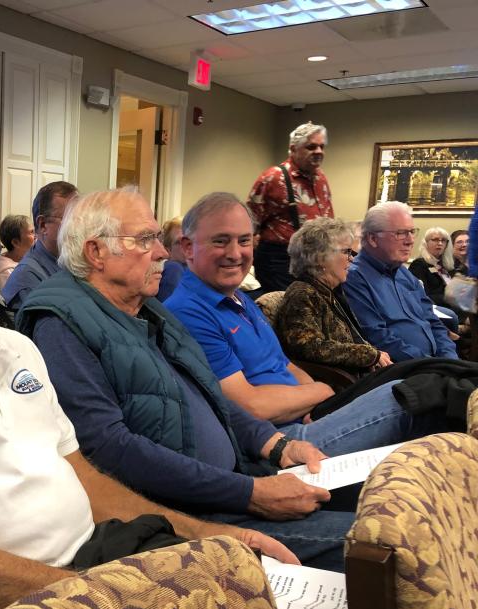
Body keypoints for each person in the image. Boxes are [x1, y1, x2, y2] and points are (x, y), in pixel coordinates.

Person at [0, 168, 297, 609]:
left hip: (107, 550)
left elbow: (86, 479)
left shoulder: (16, 347)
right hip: (32, 602)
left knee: (268, 594)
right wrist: (117, 599)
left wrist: (210, 536)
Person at [16, 188, 354, 572]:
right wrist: (250, 493)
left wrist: (277, 445)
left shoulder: (146, 310)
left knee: (375, 499)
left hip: (238, 480)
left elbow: (207, 392)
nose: (162, 252)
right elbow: (108, 448)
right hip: (190, 516)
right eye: (145, 239)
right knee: (383, 540)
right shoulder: (60, 324)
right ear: (96, 253)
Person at [165, 192, 435, 454]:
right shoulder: (188, 312)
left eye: (244, 241)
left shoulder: (239, 298)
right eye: (221, 241)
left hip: (305, 414)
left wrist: (312, 403)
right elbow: (251, 407)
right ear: (188, 247)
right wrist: (321, 391)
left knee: (425, 385)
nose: (235, 253)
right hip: (279, 442)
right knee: (413, 396)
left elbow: (286, 363)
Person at [275, 217, 392, 375]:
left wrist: (374, 355)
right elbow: (307, 346)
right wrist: (369, 355)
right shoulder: (302, 293)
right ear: (319, 258)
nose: (352, 258)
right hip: (339, 387)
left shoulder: (328, 292)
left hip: (358, 379)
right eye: (346, 252)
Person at [344, 201, 458, 361]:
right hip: (402, 372)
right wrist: (433, 365)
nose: (410, 240)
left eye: (412, 232)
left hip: (435, 365)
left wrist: (450, 359)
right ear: (373, 238)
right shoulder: (354, 277)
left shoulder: (404, 274)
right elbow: (378, 338)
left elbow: (433, 322)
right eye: (400, 233)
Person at [248, 122, 334, 292]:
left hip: (314, 257)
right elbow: (249, 223)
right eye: (311, 147)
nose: (318, 151)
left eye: (321, 146)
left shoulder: (321, 178)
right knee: (284, 309)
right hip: (279, 261)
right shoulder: (273, 177)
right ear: (294, 149)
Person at [0, 180, 77, 311]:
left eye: (81, 218)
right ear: (43, 225)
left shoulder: (67, 261)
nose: (79, 227)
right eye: (71, 219)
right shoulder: (28, 280)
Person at [408, 227, 455, 306]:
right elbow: (421, 296)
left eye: (443, 240)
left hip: (451, 306)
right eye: (435, 240)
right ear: (426, 243)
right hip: (433, 309)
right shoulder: (419, 264)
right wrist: (448, 298)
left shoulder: (445, 264)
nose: (440, 243)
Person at [0, 213, 34, 294]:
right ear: (16, 242)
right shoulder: (6, 271)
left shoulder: (26, 260)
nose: (36, 236)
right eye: (31, 232)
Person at [156, 216, 184, 302]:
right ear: (168, 250)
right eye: (180, 242)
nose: (188, 246)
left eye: (191, 240)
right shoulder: (173, 269)